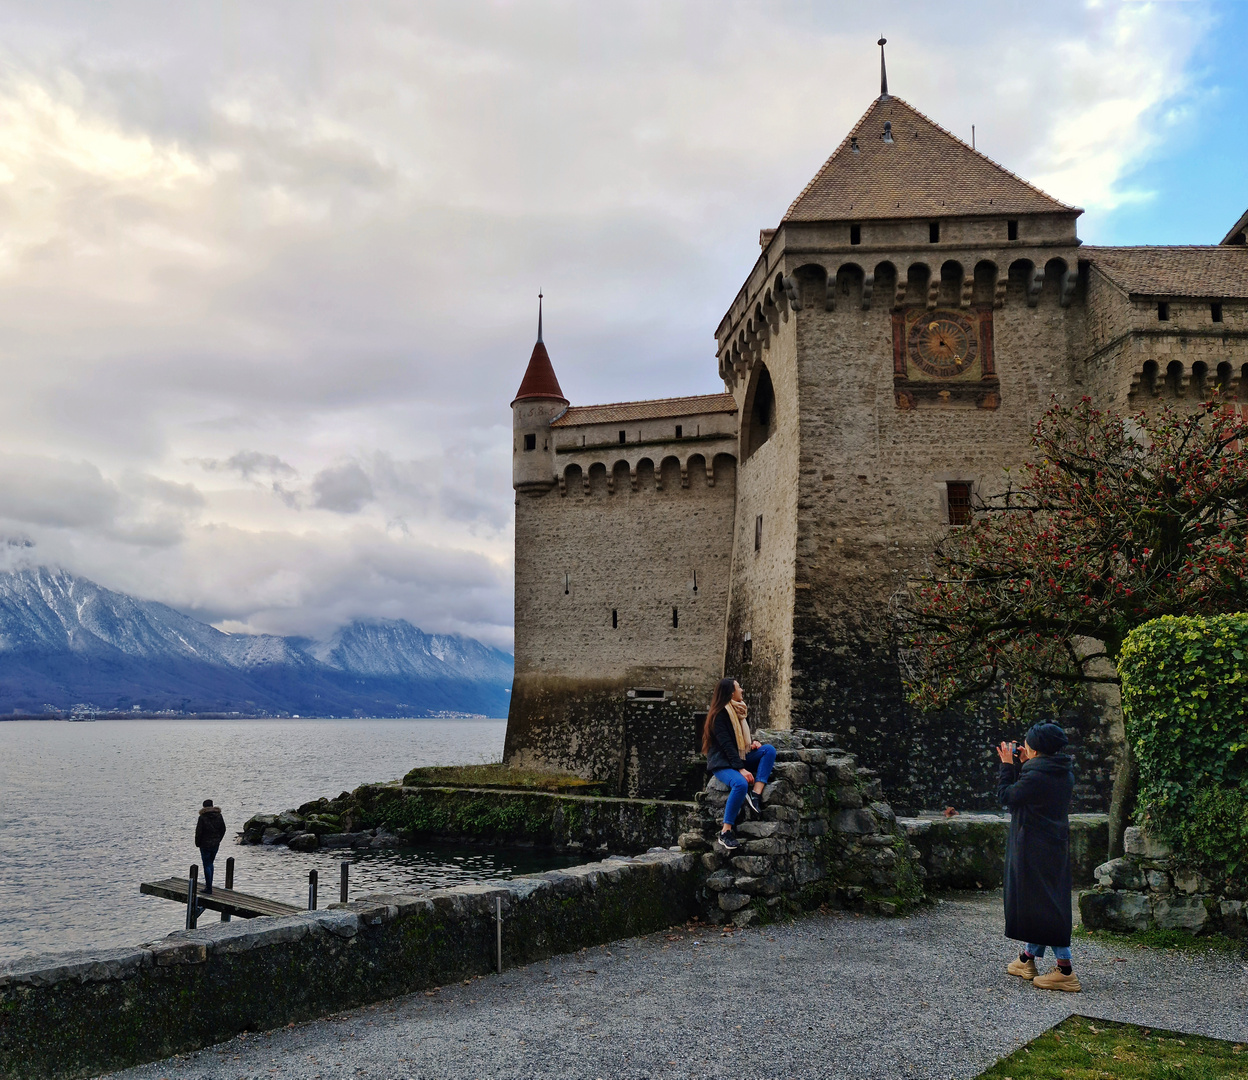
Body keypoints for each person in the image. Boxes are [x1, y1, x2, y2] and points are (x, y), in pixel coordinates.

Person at [996, 722, 1080, 992]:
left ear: (1036, 748)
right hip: (1052, 845)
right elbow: (1032, 791)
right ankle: (1027, 959)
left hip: (1034, 847)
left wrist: (1008, 766)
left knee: (1047, 904)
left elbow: (1007, 796)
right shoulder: (1061, 772)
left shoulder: (1037, 776)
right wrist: (1026, 764)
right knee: (1042, 901)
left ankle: (1065, 970)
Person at [702, 677, 776, 853]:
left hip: (739, 757)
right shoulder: (719, 715)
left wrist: (752, 745)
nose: (742, 690)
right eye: (738, 687)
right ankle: (725, 832)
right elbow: (727, 746)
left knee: (769, 750)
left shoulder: (740, 712)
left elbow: (740, 741)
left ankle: (756, 795)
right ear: (730, 692)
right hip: (722, 762)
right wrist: (741, 769)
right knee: (740, 783)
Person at [194, 799, 227, 895]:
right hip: (215, 844)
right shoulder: (219, 816)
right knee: (210, 864)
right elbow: (223, 829)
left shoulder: (202, 817)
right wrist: (218, 839)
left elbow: (198, 832)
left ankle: (208, 888)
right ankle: (209, 885)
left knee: (207, 865)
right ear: (212, 806)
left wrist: (197, 843)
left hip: (205, 844)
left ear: (204, 807)